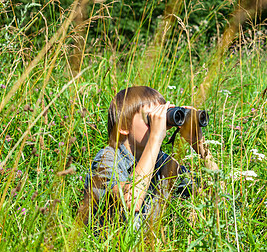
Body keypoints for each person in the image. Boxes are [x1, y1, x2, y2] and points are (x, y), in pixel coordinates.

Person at [80, 86, 218, 229]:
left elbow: (215, 192)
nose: (159, 125)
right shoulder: (107, 159)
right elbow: (131, 201)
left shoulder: (163, 162)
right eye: (150, 119)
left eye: (161, 119)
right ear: (124, 126)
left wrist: (199, 144)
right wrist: (156, 138)